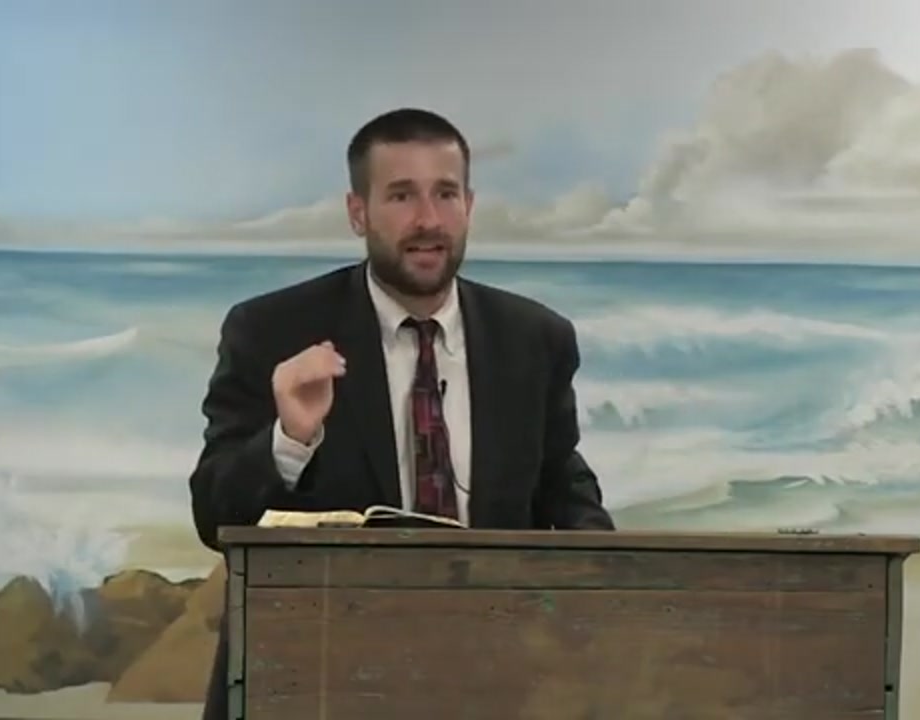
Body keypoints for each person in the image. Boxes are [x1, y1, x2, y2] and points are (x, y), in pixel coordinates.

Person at [187, 107, 615, 718]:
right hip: (320, 679)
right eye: (401, 195)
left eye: (446, 193)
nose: (428, 220)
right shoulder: (271, 331)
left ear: (469, 204)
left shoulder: (534, 339)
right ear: (357, 212)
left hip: (487, 677)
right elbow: (214, 516)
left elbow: (562, 487)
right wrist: (289, 441)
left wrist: (614, 586)